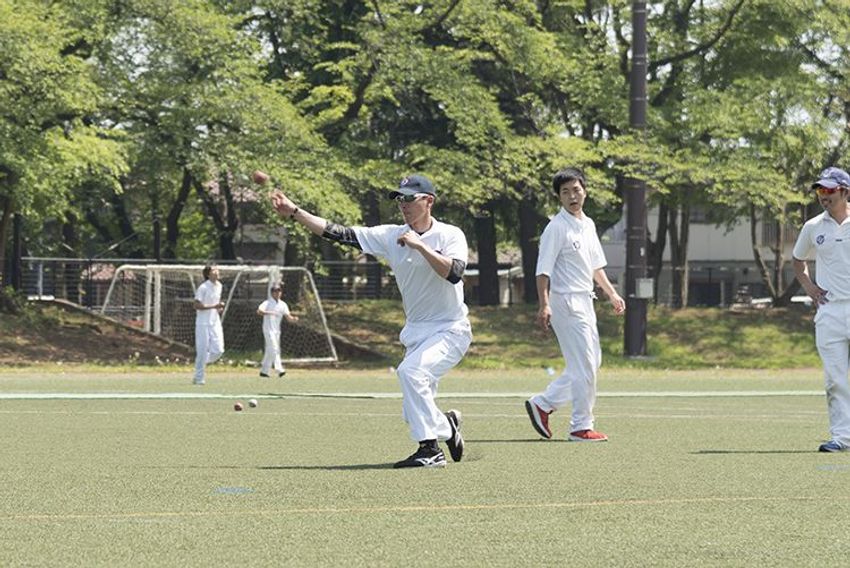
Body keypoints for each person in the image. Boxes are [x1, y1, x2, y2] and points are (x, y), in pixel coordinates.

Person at [255, 171, 470, 468]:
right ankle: (447, 427)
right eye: (399, 199)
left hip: (450, 329)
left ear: (429, 201)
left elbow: (454, 273)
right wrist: (295, 212)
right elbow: (338, 232)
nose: (403, 205)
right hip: (416, 332)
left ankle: (430, 451)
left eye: (409, 199)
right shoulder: (391, 235)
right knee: (413, 409)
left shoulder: (450, 235)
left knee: (411, 375)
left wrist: (420, 245)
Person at [525, 167, 625, 442]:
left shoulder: (588, 224)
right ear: (559, 197)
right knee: (585, 366)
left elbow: (595, 266)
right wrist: (544, 304)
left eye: (576, 190)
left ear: (585, 191)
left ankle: (543, 404)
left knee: (591, 362)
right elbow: (542, 270)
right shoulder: (556, 228)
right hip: (566, 302)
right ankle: (580, 426)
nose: (572, 196)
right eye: (565, 192)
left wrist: (612, 294)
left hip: (585, 300)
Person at [792, 166, 850, 452]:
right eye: (819, 190)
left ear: (845, 191)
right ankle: (842, 438)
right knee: (834, 380)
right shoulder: (813, 226)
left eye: (829, 190)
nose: (823, 195)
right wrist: (810, 288)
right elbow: (797, 259)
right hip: (829, 312)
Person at [193, 265, 225, 385]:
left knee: (219, 350)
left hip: (215, 321)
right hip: (203, 323)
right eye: (213, 270)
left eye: (217, 270)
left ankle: (200, 362)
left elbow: (215, 304)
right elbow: (196, 305)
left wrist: (218, 308)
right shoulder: (203, 287)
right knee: (202, 350)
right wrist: (214, 306)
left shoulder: (219, 286)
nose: (217, 272)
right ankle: (199, 378)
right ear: (208, 274)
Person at [257, 283, 298, 378]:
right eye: (275, 291)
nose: (277, 293)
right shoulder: (267, 303)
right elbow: (259, 311)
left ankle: (264, 371)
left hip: (277, 331)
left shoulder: (283, 304)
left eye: (279, 291)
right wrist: (269, 313)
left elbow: (288, 317)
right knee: (274, 348)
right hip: (268, 330)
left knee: (270, 350)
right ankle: (279, 369)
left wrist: (293, 319)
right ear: (272, 293)